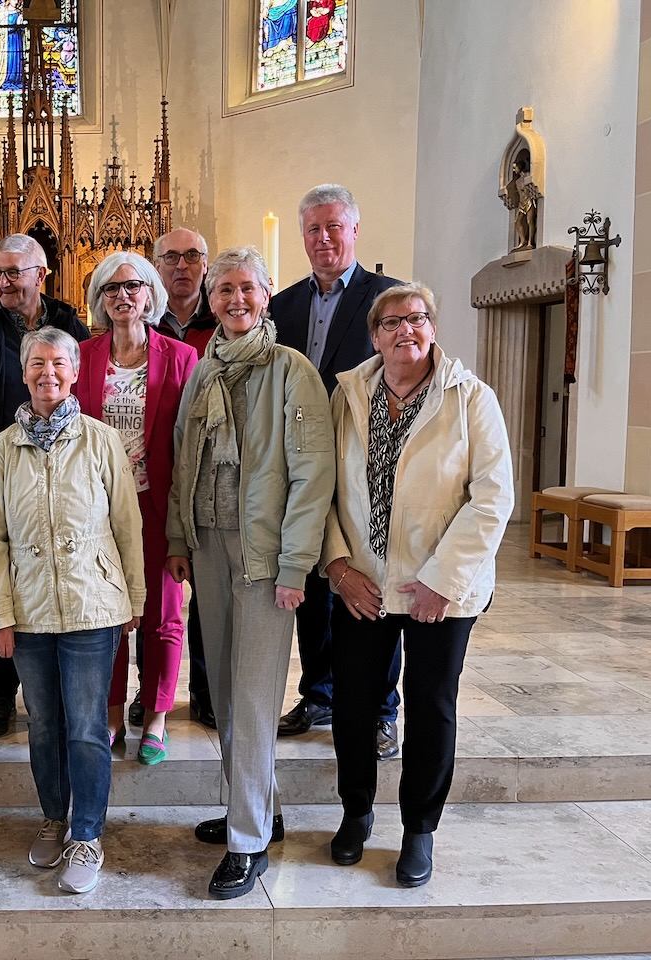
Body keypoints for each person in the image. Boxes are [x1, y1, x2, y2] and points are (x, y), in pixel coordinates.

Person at [322, 282, 512, 887]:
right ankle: (355, 812)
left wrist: (442, 581)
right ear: (375, 337)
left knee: (431, 705)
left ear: (433, 328)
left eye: (418, 318)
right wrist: (338, 567)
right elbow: (322, 486)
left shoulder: (469, 397)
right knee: (354, 703)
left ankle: (419, 829)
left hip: (441, 590)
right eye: (392, 322)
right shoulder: (348, 395)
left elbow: (492, 498)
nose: (406, 329)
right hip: (364, 583)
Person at [167, 246, 333, 900]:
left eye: (247, 288)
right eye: (224, 290)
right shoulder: (203, 372)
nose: (236, 300)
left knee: (258, 695)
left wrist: (296, 566)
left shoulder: (292, 370)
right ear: (211, 302)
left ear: (266, 295)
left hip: (265, 554)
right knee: (228, 692)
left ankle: (248, 842)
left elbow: (312, 476)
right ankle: (261, 807)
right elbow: (184, 458)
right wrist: (179, 537)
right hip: (210, 543)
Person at [0, 326, 144, 895]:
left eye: (58, 364)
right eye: (37, 364)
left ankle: (87, 835)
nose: (48, 373)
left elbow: (127, 525)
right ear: (24, 373)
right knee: (44, 724)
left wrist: (135, 598)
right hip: (29, 611)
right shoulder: (3, 448)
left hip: (92, 606)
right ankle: (54, 816)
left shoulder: (101, 440)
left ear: (74, 373)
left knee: (89, 727)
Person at [270, 184, 404, 760]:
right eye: (313, 229)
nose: (323, 238)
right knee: (313, 586)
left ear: (354, 230)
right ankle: (320, 693)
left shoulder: (387, 299)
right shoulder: (282, 306)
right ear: (303, 237)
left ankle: (381, 710)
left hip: (364, 465)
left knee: (370, 589)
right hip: (301, 465)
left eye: (333, 227)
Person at [0, 233, 91, 738]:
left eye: (14, 272)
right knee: (4, 582)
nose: (3, 282)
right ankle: (2, 687)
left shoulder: (71, 325)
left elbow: (87, 397)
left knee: (55, 580)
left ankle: (56, 691)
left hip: (62, 480)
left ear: (41, 273)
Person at [76, 252, 196, 763]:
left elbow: (190, 442)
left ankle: (156, 716)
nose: (122, 296)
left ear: (150, 294)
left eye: (132, 286)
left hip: (157, 502)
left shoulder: (181, 357)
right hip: (97, 506)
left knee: (163, 614)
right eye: (111, 288)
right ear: (100, 299)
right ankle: (109, 714)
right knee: (106, 614)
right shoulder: (82, 355)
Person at [152, 227, 217, 732]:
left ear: (205, 264)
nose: (181, 265)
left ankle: (207, 692)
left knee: (209, 592)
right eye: (170, 257)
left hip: (209, 474)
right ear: (156, 266)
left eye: (191, 255)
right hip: (156, 476)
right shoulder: (140, 318)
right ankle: (149, 693)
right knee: (158, 595)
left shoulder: (226, 317)